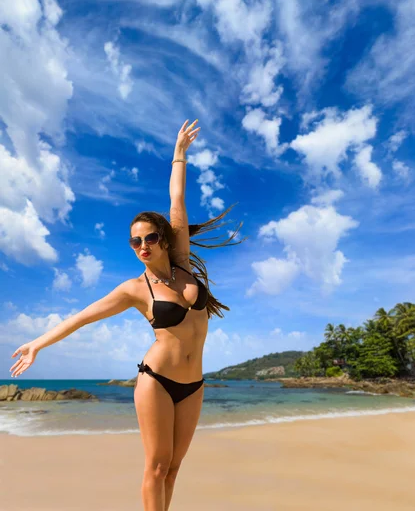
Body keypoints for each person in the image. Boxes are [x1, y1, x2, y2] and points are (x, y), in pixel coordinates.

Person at [10, 118, 245, 511]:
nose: (142, 245)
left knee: (173, 470)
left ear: (164, 239)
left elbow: (176, 202)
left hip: (194, 385)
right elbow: (81, 317)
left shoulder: (183, 263)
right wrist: (37, 344)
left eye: (150, 237)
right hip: (156, 381)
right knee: (155, 468)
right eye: (135, 241)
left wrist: (179, 156)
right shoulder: (134, 289)